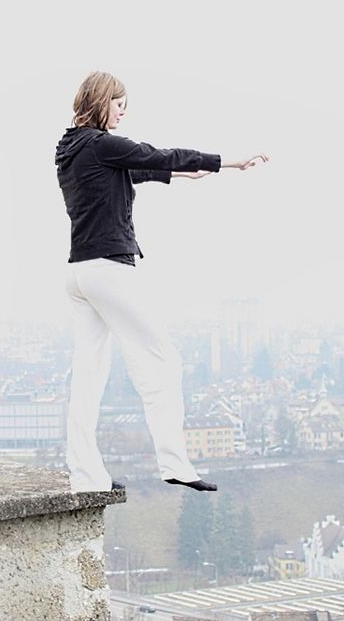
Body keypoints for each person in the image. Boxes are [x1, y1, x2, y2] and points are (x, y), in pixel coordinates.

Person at [55, 71, 268, 493]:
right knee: (161, 361)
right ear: (101, 100)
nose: (122, 112)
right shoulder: (102, 144)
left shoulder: (71, 149)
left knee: (88, 375)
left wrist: (175, 176)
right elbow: (156, 154)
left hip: (78, 273)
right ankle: (175, 464)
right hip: (108, 270)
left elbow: (129, 172)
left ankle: (85, 474)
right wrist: (225, 162)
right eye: (119, 104)